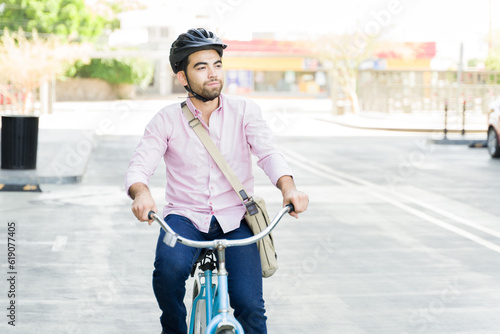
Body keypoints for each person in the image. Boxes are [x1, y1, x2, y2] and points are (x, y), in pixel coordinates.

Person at [125, 28, 309, 334]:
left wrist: (289, 188)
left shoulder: (245, 111)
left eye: (217, 65)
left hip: (236, 220)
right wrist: (141, 194)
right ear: (183, 78)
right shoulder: (166, 119)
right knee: (167, 274)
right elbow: (139, 165)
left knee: (251, 307)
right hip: (182, 219)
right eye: (201, 67)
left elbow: (268, 154)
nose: (213, 74)